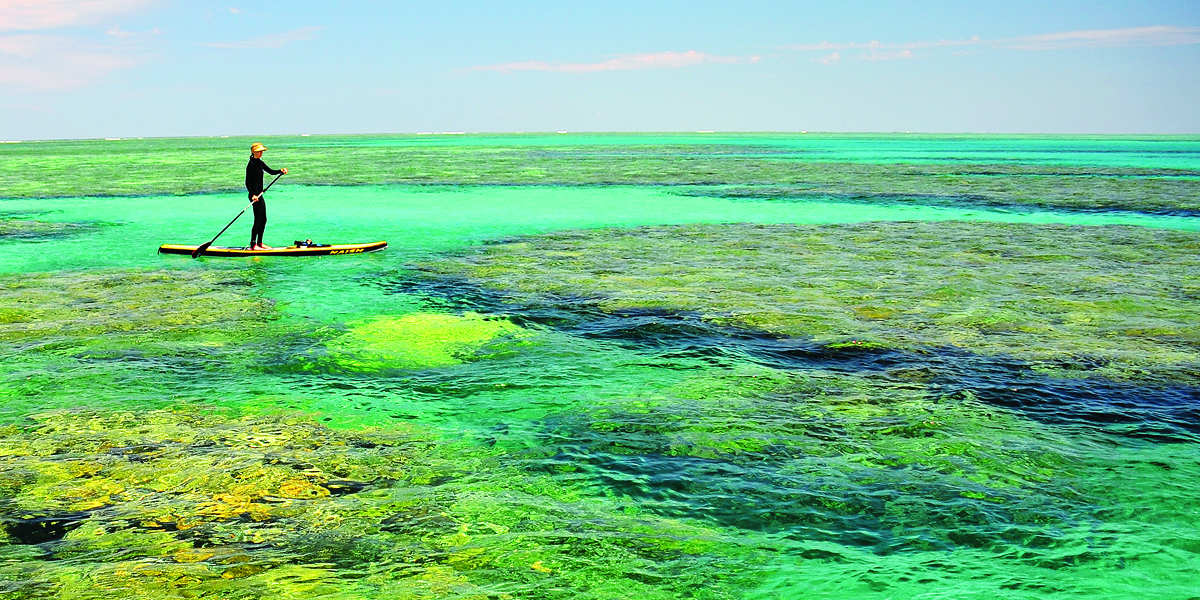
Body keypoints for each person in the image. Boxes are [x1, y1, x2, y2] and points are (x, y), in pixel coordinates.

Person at [245, 142, 287, 250]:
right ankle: (253, 244)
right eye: (259, 151)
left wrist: (280, 171)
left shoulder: (260, 163)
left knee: (263, 219)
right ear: (254, 151)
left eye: (262, 152)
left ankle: (260, 243)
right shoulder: (251, 165)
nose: (261, 153)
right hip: (254, 196)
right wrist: (253, 194)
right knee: (258, 220)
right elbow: (247, 182)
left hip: (260, 195)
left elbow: (271, 172)